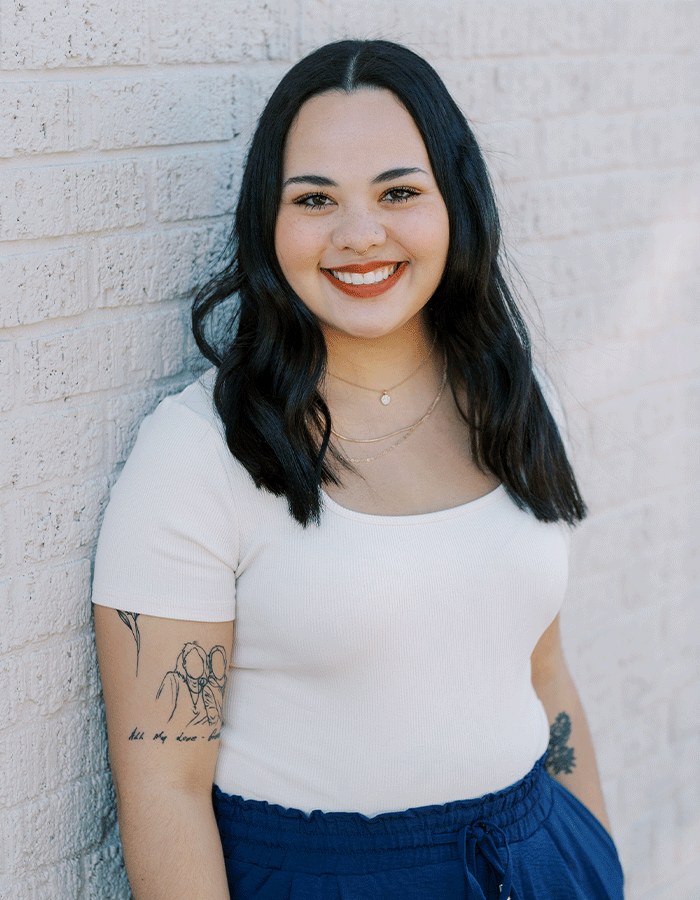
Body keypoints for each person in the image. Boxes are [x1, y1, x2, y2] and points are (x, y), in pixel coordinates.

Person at [92, 39, 625, 900]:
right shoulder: (197, 456)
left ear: (456, 203)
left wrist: (596, 861)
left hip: (538, 857)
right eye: (315, 199)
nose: (359, 234)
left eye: (399, 192)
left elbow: (544, 670)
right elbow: (166, 787)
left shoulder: (514, 404)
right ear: (270, 220)